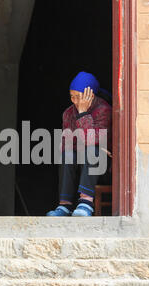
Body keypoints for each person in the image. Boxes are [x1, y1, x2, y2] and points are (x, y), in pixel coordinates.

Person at [46, 72, 112, 217]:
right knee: (67, 155)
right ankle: (65, 205)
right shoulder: (68, 113)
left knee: (92, 152)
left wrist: (82, 113)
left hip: (102, 162)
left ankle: (86, 203)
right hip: (80, 155)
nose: (75, 101)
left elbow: (93, 140)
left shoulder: (104, 110)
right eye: (72, 96)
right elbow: (67, 143)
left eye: (79, 96)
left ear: (91, 95)